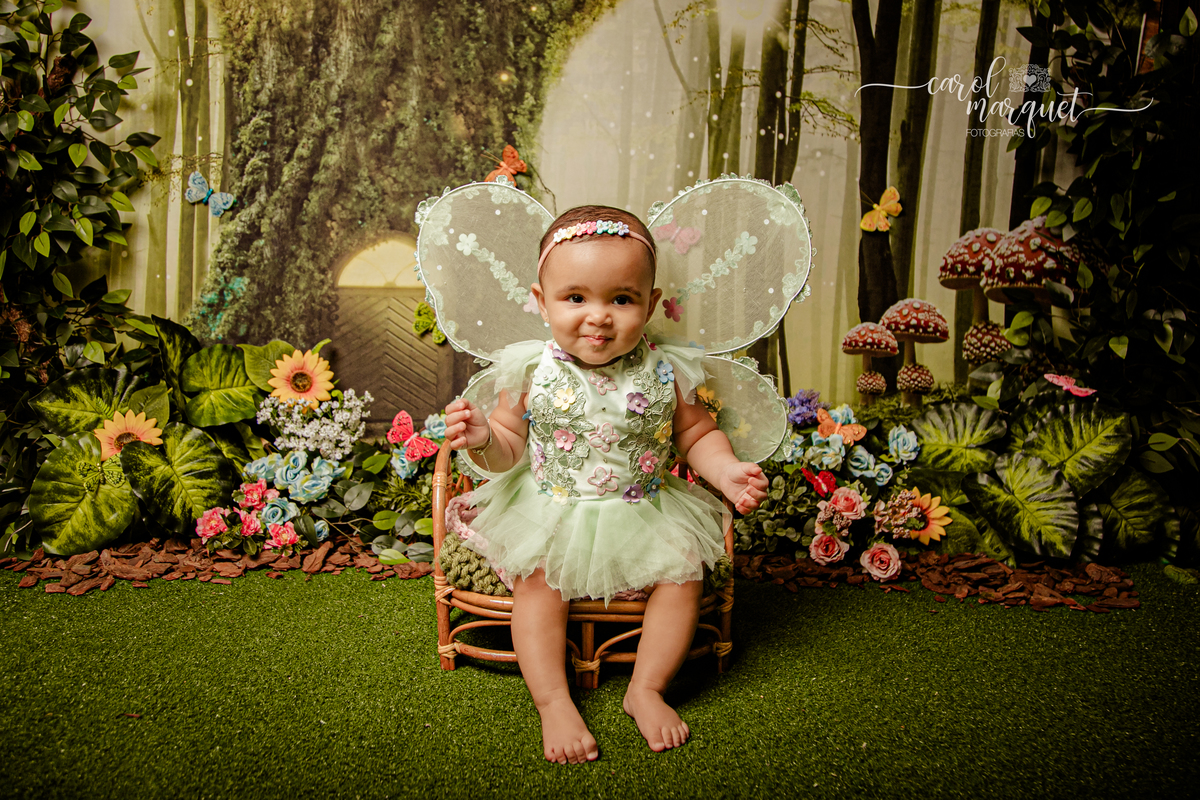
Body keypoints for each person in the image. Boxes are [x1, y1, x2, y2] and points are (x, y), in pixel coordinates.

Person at [444, 205, 769, 765]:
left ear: (649, 301)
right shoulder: (530, 371)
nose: (598, 317)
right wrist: (481, 438)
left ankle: (646, 689)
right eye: (576, 298)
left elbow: (695, 436)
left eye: (621, 299)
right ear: (541, 301)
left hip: (642, 504)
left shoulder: (668, 370)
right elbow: (509, 448)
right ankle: (552, 701)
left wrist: (725, 470)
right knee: (538, 580)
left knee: (684, 571)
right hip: (552, 505)